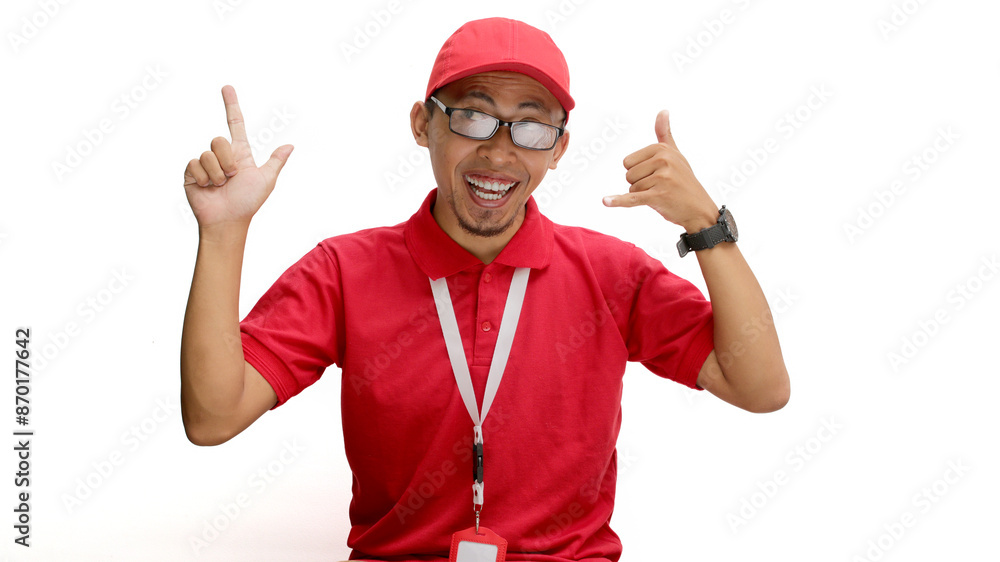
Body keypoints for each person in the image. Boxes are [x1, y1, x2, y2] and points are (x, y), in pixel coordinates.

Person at [180, 17, 789, 562]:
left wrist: (705, 227)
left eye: (531, 127)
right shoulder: (344, 271)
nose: (499, 153)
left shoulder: (611, 273)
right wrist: (224, 234)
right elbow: (212, 417)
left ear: (559, 148)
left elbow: (759, 387)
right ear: (423, 125)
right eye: (473, 117)